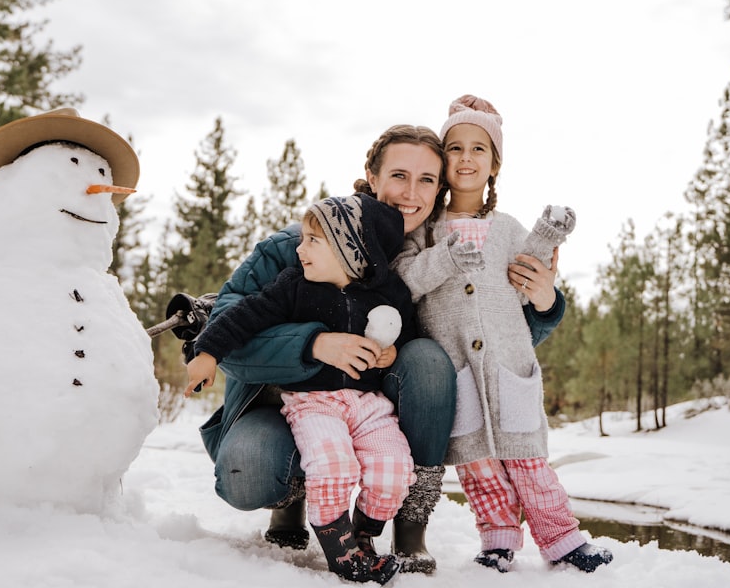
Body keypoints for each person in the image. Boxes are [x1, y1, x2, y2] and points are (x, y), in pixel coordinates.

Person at [194, 123, 568, 575]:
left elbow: (489, 342)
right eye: (398, 176)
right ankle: (291, 498)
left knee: (429, 360)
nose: (411, 192)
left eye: (427, 179)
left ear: (440, 189)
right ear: (371, 177)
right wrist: (314, 344)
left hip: (372, 407)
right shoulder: (301, 246)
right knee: (249, 469)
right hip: (282, 404)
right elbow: (225, 329)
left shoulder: (439, 253)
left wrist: (545, 304)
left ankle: (409, 528)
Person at [393, 95, 613, 574]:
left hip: (509, 364)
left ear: (495, 164)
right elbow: (405, 281)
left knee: (528, 458)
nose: (466, 158)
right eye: (455, 148)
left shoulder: (508, 228)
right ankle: (497, 539)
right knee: (477, 464)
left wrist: (549, 238)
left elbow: (532, 275)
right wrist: (447, 256)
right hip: (456, 368)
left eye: (479, 149)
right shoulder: (424, 231)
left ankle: (562, 539)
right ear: (441, 158)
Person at [186, 194, 413, 584]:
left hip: (367, 404)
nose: (300, 248)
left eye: (312, 240)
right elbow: (244, 315)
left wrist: (390, 355)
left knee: (394, 467)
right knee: (332, 465)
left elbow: (408, 331)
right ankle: (341, 551)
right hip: (314, 403)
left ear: (351, 251)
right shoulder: (294, 287)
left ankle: (363, 533)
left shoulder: (386, 294)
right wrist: (207, 352)